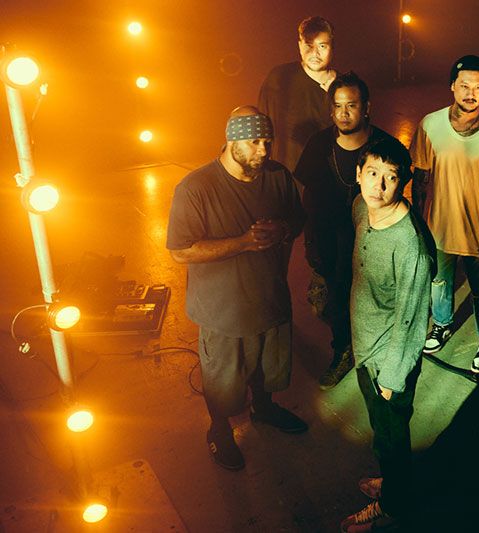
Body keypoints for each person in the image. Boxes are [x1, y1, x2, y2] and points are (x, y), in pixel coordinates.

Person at [166, 106, 307, 472]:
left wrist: (283, 230)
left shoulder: (277, 176)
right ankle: (219, 430)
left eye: (268, 142)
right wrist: (243, 242)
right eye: (255, 142)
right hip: (224, 309)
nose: (264, 150)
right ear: (232, 141)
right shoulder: (196, 188)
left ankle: (264, 408)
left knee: (268, 367)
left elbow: (297, 218)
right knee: (223, 381)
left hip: (270, 297)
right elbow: (180, 251)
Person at [340, 137, 433, 532]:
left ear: (403, 182)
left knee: (391, 436)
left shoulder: (410, 245)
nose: (378, 186)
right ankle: (394, 482)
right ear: (358, 174)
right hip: (366, 348)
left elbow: (412, 319)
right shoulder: (362, 208)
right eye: (372, 173)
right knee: (383, 432)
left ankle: (394, 505)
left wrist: (392, 379)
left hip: (388, 360)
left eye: (390, 177)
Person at [410, 54, 479, 373]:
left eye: (478, 87)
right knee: (439, 282)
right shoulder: (430, 125)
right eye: (465, 86)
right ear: (452, 87)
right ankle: (442, 325)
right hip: (439, 228)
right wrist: (419, 226)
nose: (471, 93)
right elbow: (421, 178)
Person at [294, 72, 394, 390]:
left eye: (351, 105)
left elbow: (399, 201)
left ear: (366, 107)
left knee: (375, 299)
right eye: (338, 106)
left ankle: (375, 352)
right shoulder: (319, 145)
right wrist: (311, 243)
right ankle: (343, 352)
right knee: (336, 301)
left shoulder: (385, 146)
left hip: (373, 241)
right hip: (330, 241)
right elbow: (307, 196)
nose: (344, 113)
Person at [258, 15, 337, 174]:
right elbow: (262, 126)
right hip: (285, 175)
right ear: (300, 46)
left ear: (332, 46)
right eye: (309, 45)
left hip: (328, 177)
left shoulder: (344, 87)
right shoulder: (279, 79)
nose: (315, 53)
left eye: (322, 46)